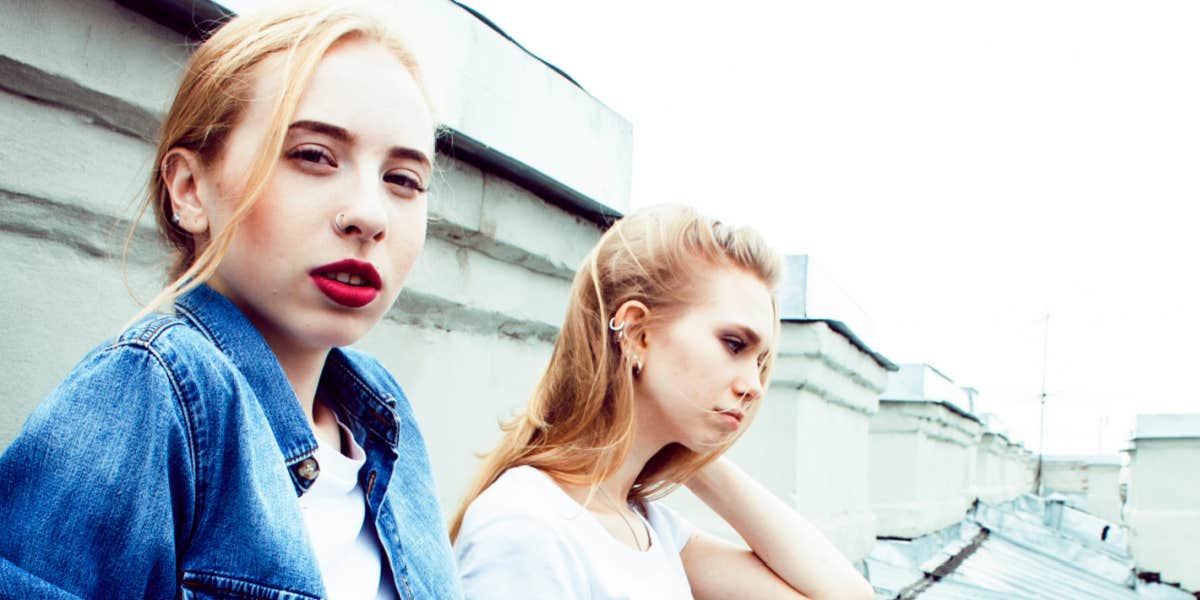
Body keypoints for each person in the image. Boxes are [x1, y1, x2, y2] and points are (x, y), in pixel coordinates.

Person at [0, 3, 461, 598]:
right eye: (313, 156)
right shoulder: (154, 390)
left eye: (403, 180)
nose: (369, 216)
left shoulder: (384, 421)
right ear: (190, 190)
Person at [451, 205, 875, 599]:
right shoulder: (527, 526)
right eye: (734, 344)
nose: (754, 385)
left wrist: (696, 457)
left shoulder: (648, 529)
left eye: (760, 361)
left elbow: (849, 596)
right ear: (638, 333)